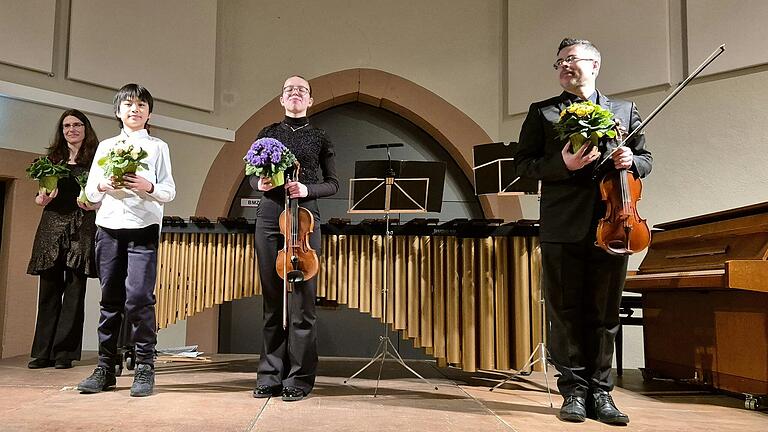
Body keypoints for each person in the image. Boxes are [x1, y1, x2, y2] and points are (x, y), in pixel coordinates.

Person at [514, 38, 652, 425]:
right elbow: (523, 166)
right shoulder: (542, 113)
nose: (563, 66)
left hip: (616, 224)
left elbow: (647, 158)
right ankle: (573, 392)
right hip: (562, 225)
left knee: (605, 314)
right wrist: (562, 163)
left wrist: (632, 160)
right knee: (565, 313)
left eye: (571, 59)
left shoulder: (624, 111)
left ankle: (602, 393)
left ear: (595, 64)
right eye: (558, 62)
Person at [77, 84, 176, 397]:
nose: (136, 109)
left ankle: (145, 365)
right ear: (118, 111)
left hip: (143, 227)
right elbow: (90, 193)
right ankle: (105, 366)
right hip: (108, 227)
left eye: (142, 105)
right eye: (129, 104)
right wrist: (103, 185)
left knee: (139, 298)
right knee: (110, 300)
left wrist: (147, 185)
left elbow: (169, 192)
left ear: (149, 112)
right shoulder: (106, 147)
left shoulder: (159, 146)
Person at [250, 75, 339, 402]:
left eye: (302, 90)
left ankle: (299, 379)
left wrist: (305, 189)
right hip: (270, 218)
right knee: (272, 303)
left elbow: (333, 184)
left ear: (311, 100)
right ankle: (270, 375)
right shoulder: (268, 133)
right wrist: (257, 185)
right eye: (289, 90)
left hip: (305, 220)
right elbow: (251, 175)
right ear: (281, 99)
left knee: (302, 304)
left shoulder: (320, 136)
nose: (295, 93)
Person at [26, 109, 100, 370]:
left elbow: (102, 196)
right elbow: (40, 196)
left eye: (77, 125)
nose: (72, 129)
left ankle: (64, 353)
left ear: (85, 128)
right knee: (48, 290)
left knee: (74, 290)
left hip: (82, 225)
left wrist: (95, 204)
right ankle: (43, 352)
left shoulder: (96, 159)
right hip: (52, 225)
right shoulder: (53, 158)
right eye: (67, 125)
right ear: (62, 130)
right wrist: (41, 199)